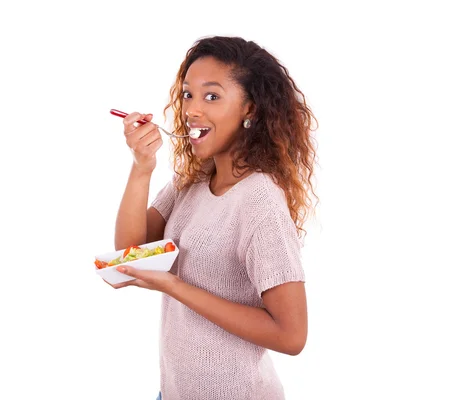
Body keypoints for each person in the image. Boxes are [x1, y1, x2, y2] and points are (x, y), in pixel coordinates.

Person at [106, 36, 318, 400]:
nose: (192, 109)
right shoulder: (194, 178)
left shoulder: (259, 201)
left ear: (249, 110)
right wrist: (142, 168)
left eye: (212, 96)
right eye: (188, 94)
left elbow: (291, 335)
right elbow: (130, 251)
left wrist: (174, 286)